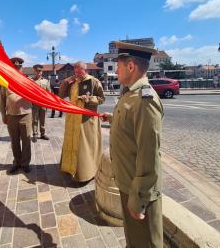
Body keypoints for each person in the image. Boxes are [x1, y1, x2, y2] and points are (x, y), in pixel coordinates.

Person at [101, 41, 163, 247]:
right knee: (134, 240)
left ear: (130, 67)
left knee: (144, 242)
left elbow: (149, 154)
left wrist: (139, 199)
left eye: (118, 67)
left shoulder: (144, 100)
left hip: (138, 190)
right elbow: (132, 127)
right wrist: (112, 118)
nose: (116, 71)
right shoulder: (131, 93)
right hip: (128, 182)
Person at [59, 61, 105, 183]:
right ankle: (69, 167)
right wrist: (66, 81)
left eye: (79, 71)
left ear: (86, 70)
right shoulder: (72, 82)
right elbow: (61, 95)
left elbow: (102, 98)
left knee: (84, 146)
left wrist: (89, 99)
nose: (77, 74)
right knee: (71, 142)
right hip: (72, 118)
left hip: (85, 120)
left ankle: (84, 172)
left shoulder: (93, 81)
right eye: (75, 71)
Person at [0, 57, 32, 174]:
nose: (16, 69)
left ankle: (25, 163)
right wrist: (3, 114)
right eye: (14, 67)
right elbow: (2, 99)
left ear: (21, 68)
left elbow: (34, 96)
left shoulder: (27, 81)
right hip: (11, 115)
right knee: (14, 141)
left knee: (26, 141)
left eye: (18, 67)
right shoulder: (4, 81)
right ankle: (17, 162)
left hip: (25, 114)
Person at [31, 64, 50, 141]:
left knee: (43, 119)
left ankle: (43, 133)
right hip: (34, 103)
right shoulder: (31, 81)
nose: (39, 72)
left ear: (42, 72)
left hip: (43, 103)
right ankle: (35, 134)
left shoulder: (46, 81)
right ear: (34, 71)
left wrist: (48, 102)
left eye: (40, 71)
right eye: (37, 71)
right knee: (34, 119)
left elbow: (49, 92)